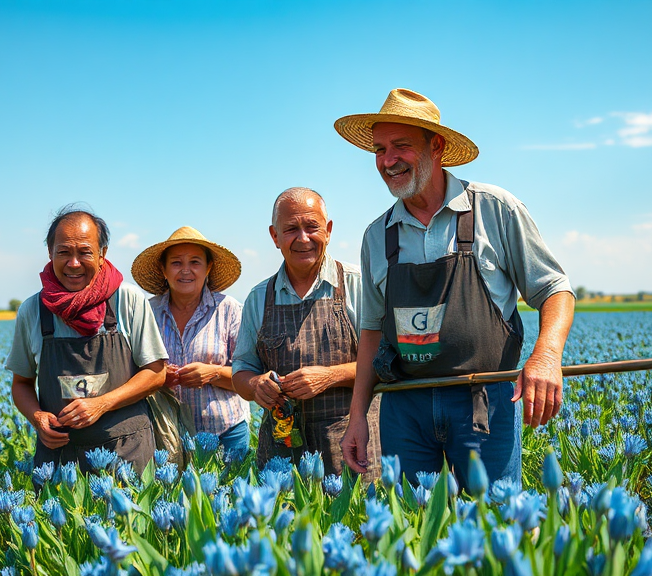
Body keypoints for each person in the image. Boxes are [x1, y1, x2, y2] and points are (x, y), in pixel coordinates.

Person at [335, 89, 575, 491]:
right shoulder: (377, 235)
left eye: (401, 146)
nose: (387, 160)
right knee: (410, 528)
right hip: (404, 403)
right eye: (379, 149)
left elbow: (555, 288)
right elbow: (372, 333)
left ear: (438, 146)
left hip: (481, 401)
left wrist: (547, 356)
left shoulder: (494, 208)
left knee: (493, 522)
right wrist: (358, 414)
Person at [232, 187, 381, 479]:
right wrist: (257, 383)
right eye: (290, 229)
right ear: (274, 236)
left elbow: (385, 360)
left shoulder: (356, 285)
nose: (303, 238)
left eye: (312, 227)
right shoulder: (259, 297)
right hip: (282, 455)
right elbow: (241, 373)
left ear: (328, 230)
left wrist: (330, 376)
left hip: (352, 442)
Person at [6, 206, 168, 473]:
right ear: (50, 253)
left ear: (102, 254)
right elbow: (21, 383)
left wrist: (101, 404)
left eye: (84, 252)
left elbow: (156, 372)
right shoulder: (32, 310)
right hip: (59, 458)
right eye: (64, 252)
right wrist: (37, 418)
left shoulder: (127, 300)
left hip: (126, 452)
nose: (74, 263)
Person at [131, 226, 250, 459]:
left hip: (226, 432)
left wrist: (213, 373)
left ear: (208, 268)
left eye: (195, 262)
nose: (185, 270)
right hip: (165, 434)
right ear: (163, 270)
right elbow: (130, 369)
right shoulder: (147, 311)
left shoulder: (229, 310)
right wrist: (156, 377)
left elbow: (251, 376)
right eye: (176, 263)